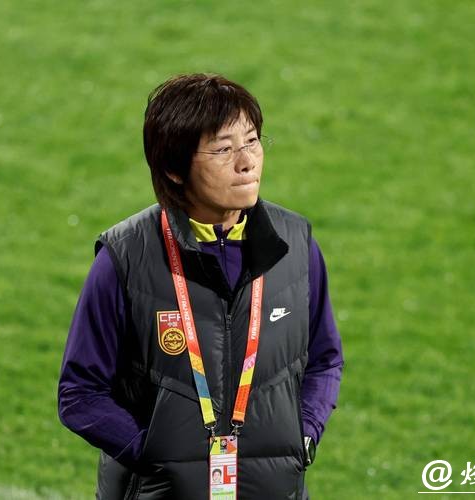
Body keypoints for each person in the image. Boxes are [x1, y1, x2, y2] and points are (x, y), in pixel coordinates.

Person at [58, 73, 343, 499]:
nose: (246, 162)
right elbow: (80, 393)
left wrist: (303, 434)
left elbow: (324, 358)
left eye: (252, 141)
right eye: (223, 149)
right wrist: (154, 453)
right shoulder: (124, 257)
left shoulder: (296, 247)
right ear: (173, 168)